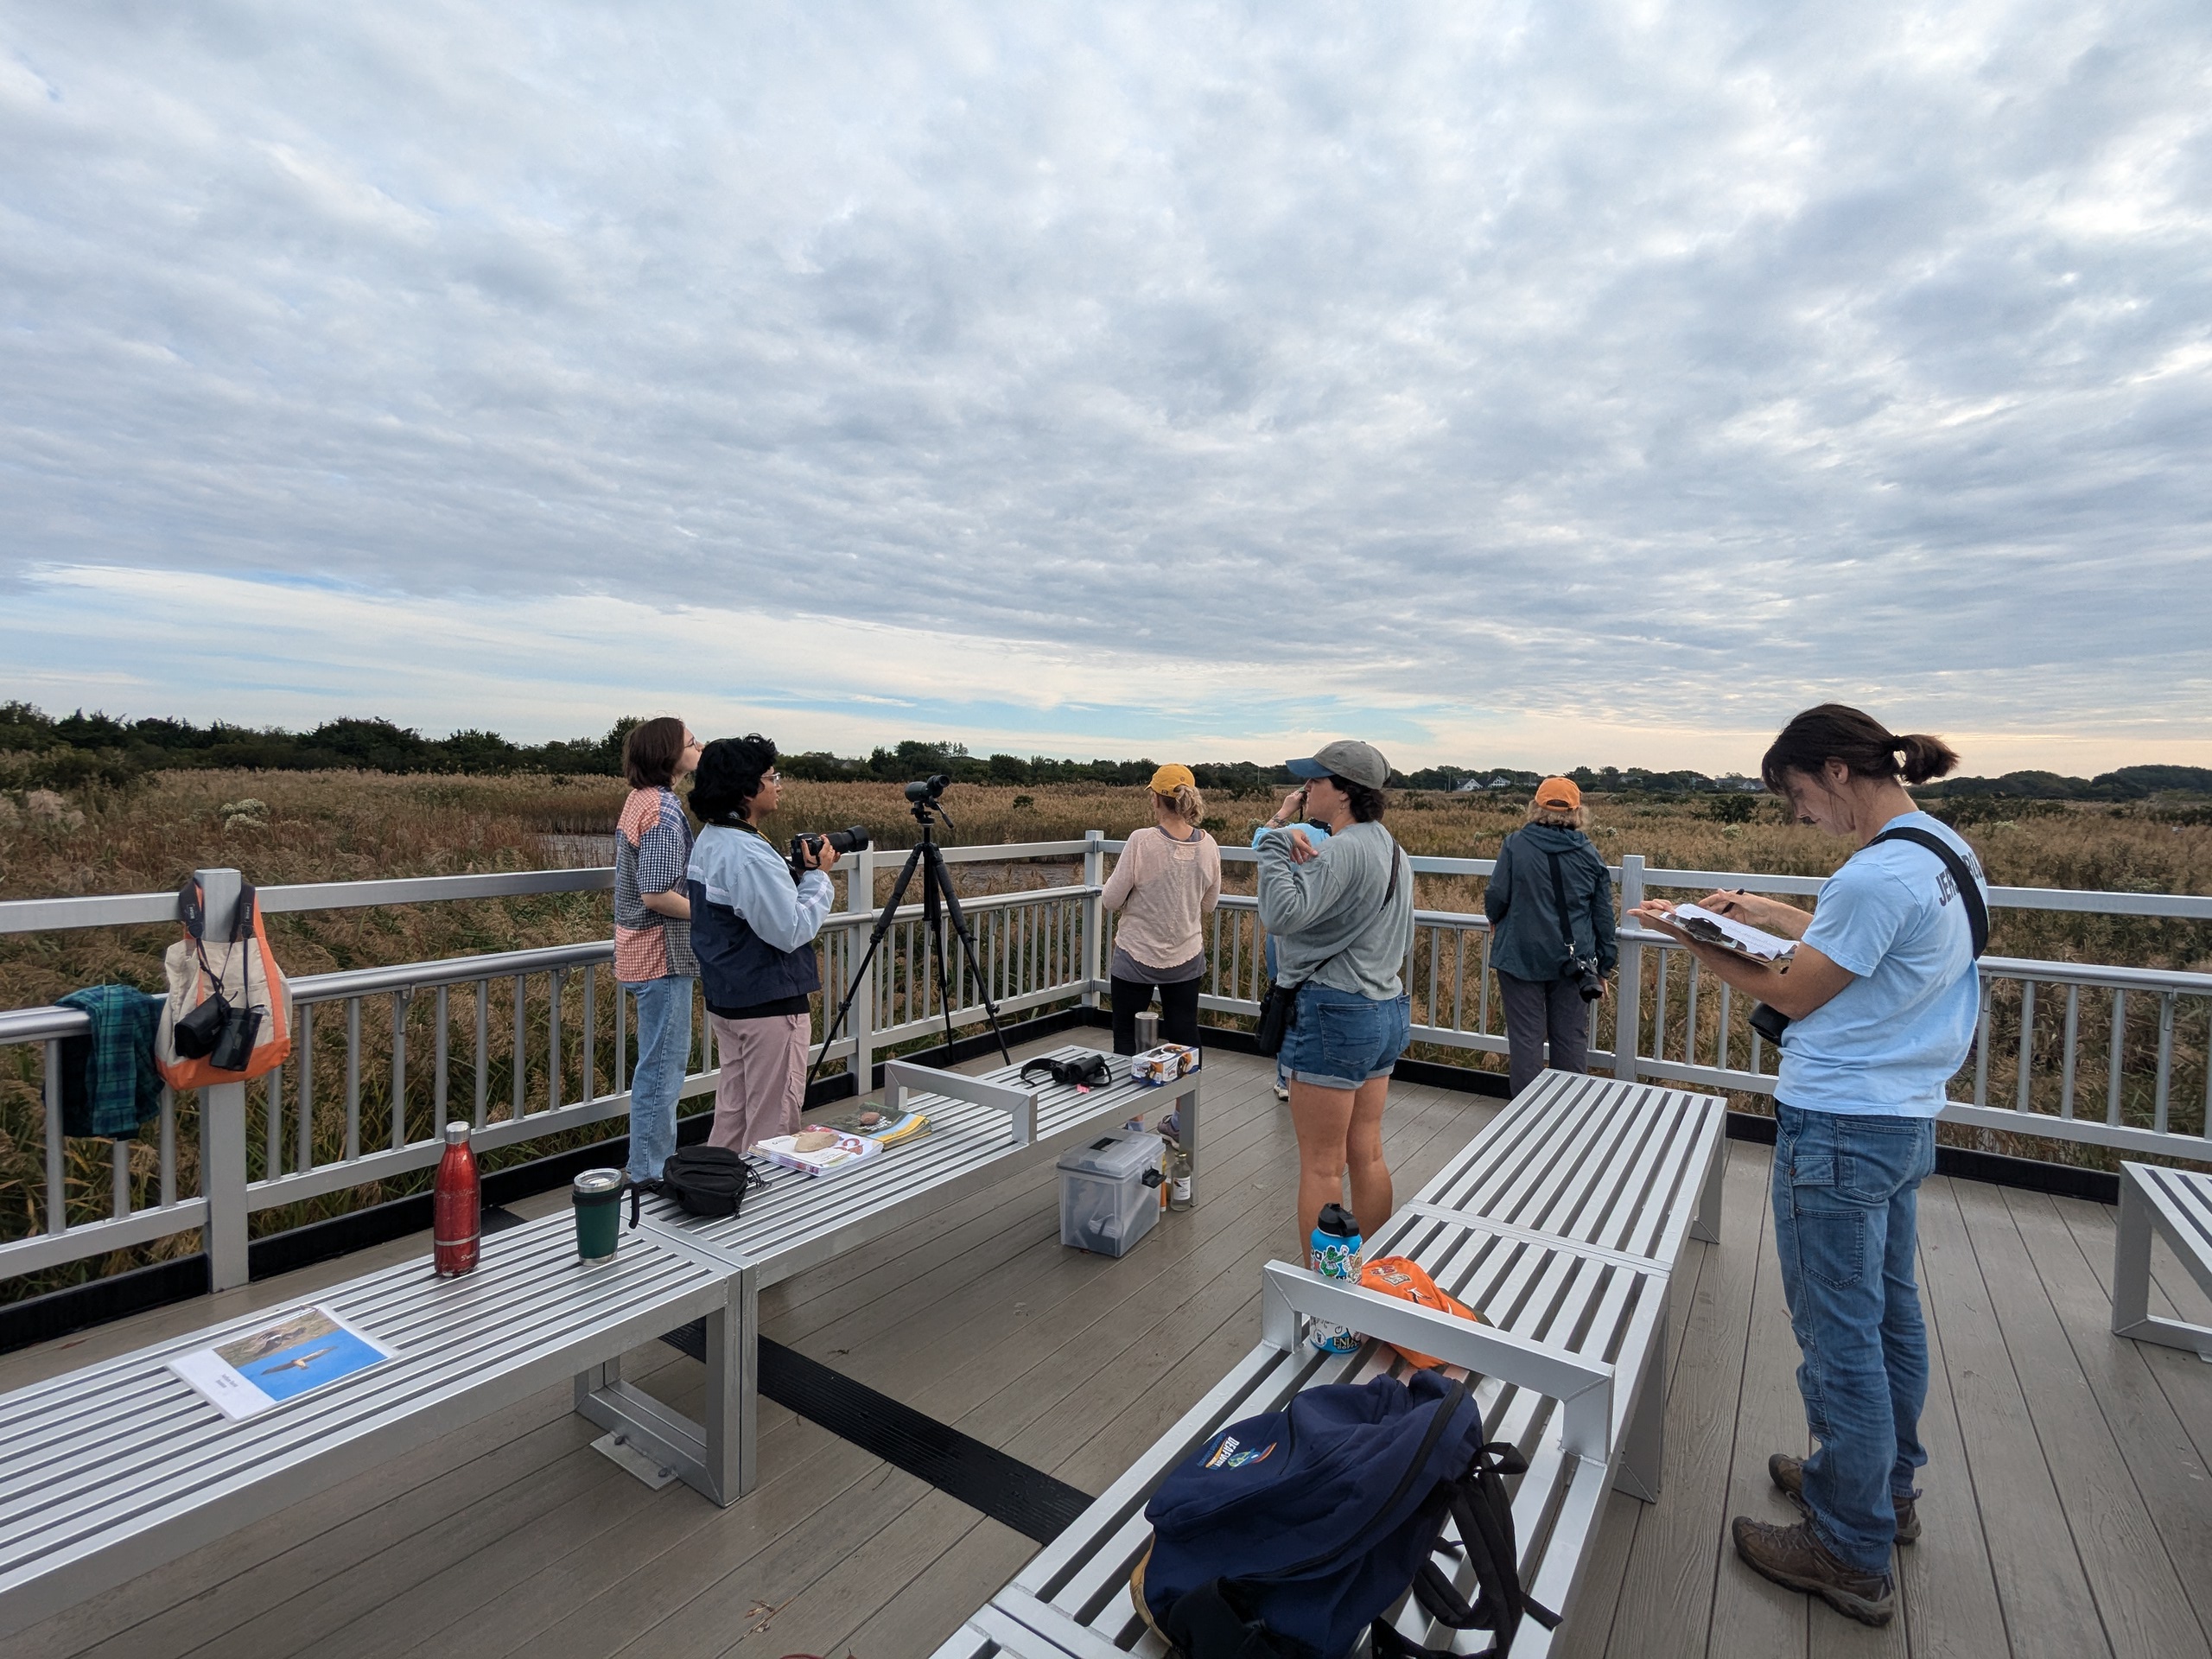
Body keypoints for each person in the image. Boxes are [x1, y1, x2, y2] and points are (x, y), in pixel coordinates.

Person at [1631, 704, 1984, 1630]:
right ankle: (1881, 1490)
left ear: (1832, 772)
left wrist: (1690, 936)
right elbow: (1853, 944)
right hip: (1905, 1117)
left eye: (1796, 797)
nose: (1800, 816)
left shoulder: (1875, 877)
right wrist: (1755, 912)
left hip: (1839, 1125)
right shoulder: (1941, 853)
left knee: (1838, 1337)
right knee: (1889, 1316)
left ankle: (1847, 1545)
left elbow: (1794, 985)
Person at [1255, 740, 1414, 1253]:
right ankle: (1368, 1271)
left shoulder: (1342, 850)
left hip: (1333, 1013)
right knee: (1365, 1153)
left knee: (1323, 1166)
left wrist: (1275, 846)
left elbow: (1280, 916)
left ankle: (1324, 1298)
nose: (1306, 789)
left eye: (1316, 781)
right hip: (1384, 1009)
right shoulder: (1393, 850)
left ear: (1344, 791)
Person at [684, 734, 839, 1154]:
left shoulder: (712, 838)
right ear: (747, 789)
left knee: (733, 1112)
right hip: (768, 1003)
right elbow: (790, 930)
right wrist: (819, 878)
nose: (778, 785)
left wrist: (795, 873)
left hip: (728, 998)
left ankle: (718, 1194)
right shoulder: (749, 853)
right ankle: (768, 1211)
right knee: (774, 1121)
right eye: (772, 777)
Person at [1483, 777, 1617, 1096]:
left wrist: (1494, 918)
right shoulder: (1589, 854)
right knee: (1570, 1037)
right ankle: (1567, 1112)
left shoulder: (1515, 844)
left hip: (1520, 954)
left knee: (1526, 1038)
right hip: (1575, 961)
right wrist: (1605, 965)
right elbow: (1603, 915)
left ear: (1536, 807)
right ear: (1576, 812)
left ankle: (1526, 1114)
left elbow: (1497, 895)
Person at [613, 717, 703, 1182]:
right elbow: (656, 893)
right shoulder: (664, 810)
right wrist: (712, 913)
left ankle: (648, 1163)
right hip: (660, 954)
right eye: (692, 741)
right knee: (663, 1070)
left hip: (636, 951)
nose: (700, 746)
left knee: (656, 1064)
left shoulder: (639, 800)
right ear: (670, 754)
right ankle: (648, 1171)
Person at [1100, 765, 1223, 1055]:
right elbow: (1209, 904)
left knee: (1127, 1035)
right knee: (1184, 1032)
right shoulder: (1209, 845)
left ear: (1155, 799)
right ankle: (1185, 1101)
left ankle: (1127, 1100)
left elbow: (1110, 899)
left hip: (1136, 952)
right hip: (1186, 953)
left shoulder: (1142, 840)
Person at [1253, 800, 1331, 1101]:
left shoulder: (1302, 830)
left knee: (1283, 1000)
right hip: (1326, 932)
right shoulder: (1349, 839)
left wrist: (1285, 811)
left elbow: (1260, 840)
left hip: (1289, 929)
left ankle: (1285, 1077)